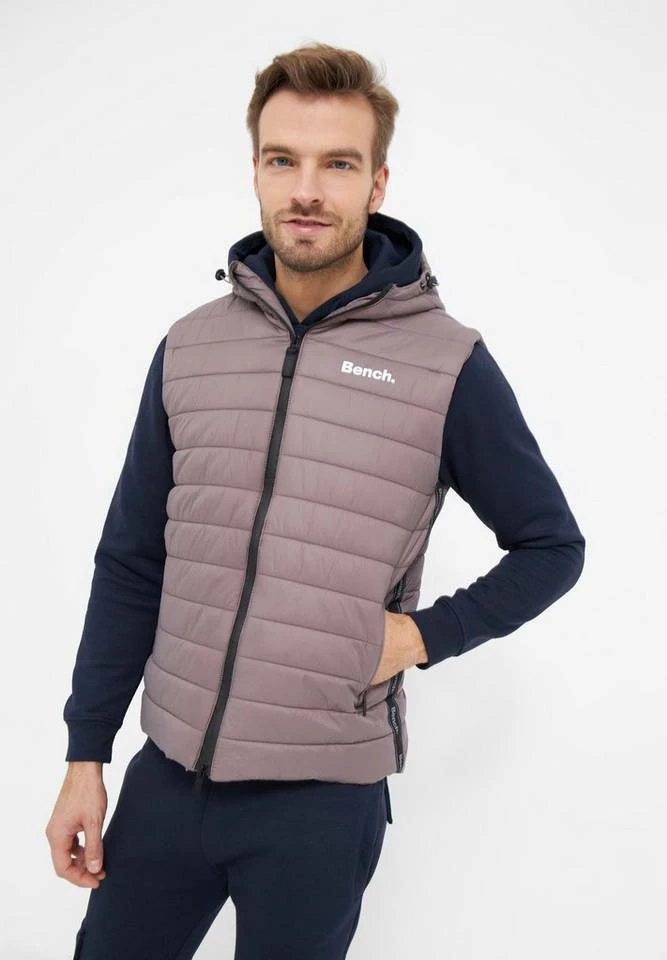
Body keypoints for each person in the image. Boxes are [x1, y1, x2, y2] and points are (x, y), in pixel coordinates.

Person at [45, 40, 585, 960]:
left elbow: (551, 546)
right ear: (254, 170)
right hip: (166, 781)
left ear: (377, 183)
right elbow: (132, 560)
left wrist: (419, 636)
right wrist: (84, 755)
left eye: (336, 164)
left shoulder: (445, 363)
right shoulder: (191, 347)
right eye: (282, 160)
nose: (306, 190)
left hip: (321, 804)